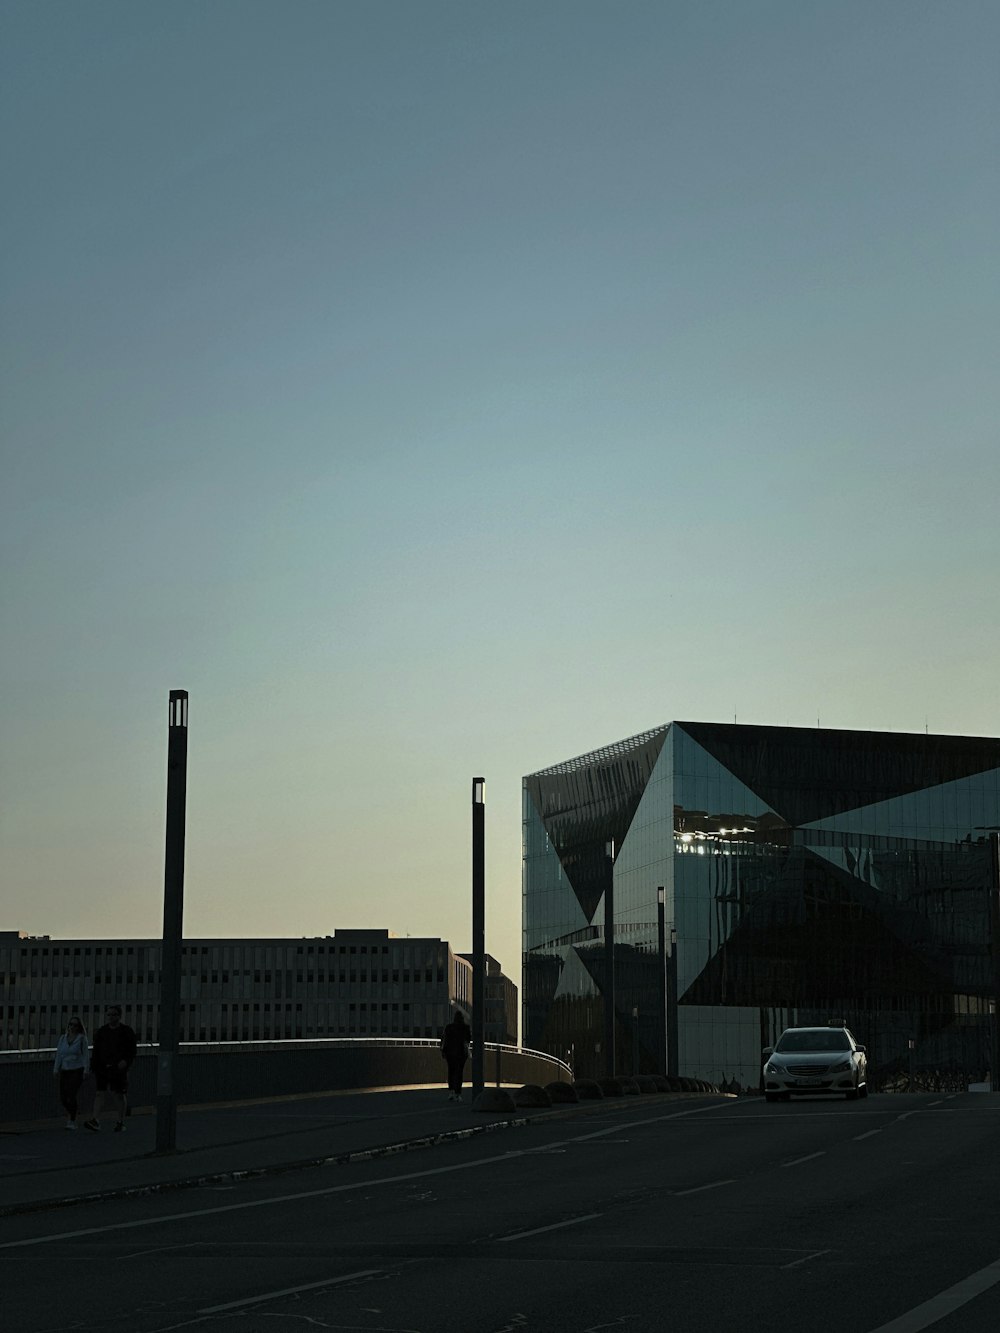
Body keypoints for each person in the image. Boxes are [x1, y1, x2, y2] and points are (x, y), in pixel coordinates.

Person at [83, 1005, 137, 1132]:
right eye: (109, 1015)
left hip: (118, 1068)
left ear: (119, 1016)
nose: (111, 1017)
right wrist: (94, 1065)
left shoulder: (126, 1031)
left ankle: (120, 1121)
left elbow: (132, 1050)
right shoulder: (102, 1031)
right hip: (102, 1067)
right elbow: (96, 1050)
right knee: (99, 1092)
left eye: (114, 1014)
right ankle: (95, 1119)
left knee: (118, 1094)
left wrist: (125, 1062)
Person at [53, 1016, 89, 1129]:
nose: (72, 1027)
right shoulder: (63, 1039)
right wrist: (56, 1069)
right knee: (63, 1097)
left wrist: (86, 1070)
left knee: (71, 1095)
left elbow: (85, 1056)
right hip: (65, 1070)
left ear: (79, 1027)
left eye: (75, 1025)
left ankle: (72, 1120)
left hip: (77, 1070)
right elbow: (59, 1055)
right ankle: (73, 1112)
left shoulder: (82, 1039)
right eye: (71, 1024)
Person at [440, 1009, 472, 1102]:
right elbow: (468, 1039)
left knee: (451, 1072)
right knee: (459, 1073)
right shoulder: (465, 1027)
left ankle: (451, 1092)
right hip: (461, 1053)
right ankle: (458, 1093)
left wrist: (443, 1051)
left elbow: (443, 1039)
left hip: (449, 1053)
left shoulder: (449, 1027)